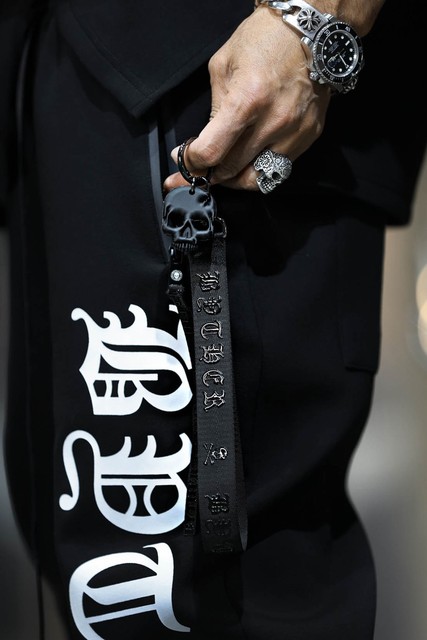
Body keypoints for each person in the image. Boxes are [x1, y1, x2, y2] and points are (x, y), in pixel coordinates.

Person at [1, 0, 426, 638]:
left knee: (207, 585)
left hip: (215, 84)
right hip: (63, 72)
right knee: (89, 559)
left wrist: (310, 20)